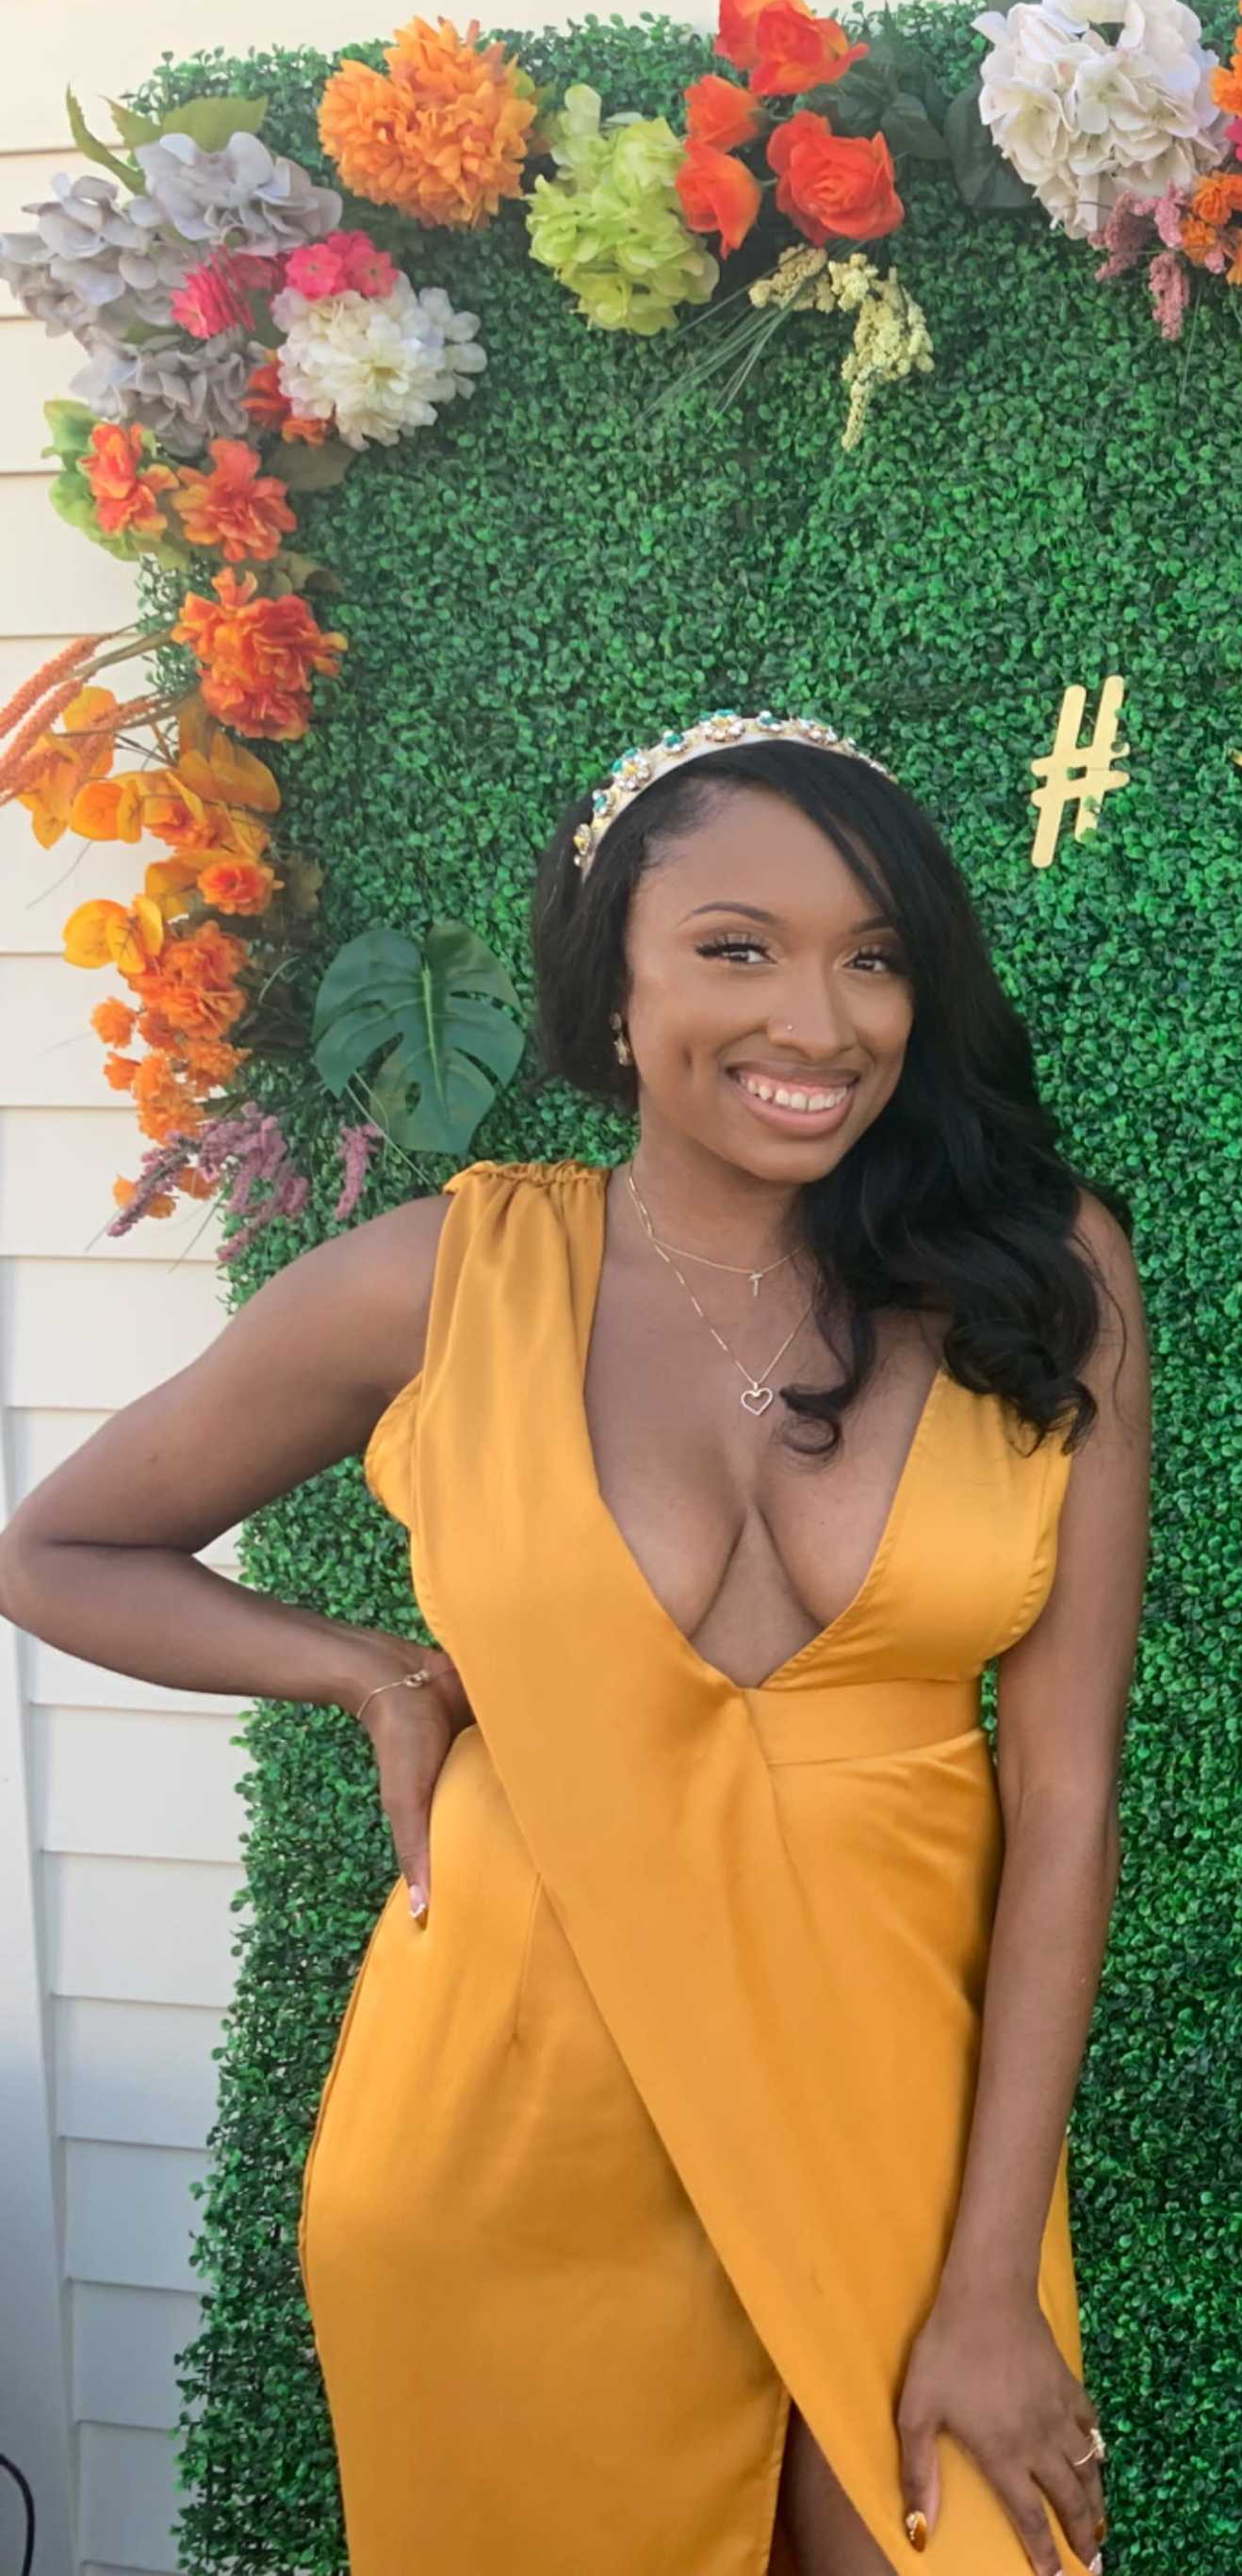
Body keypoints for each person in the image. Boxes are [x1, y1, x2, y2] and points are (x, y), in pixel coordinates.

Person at [0, 713, 1152, 2576]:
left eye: (873, 956)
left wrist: (996, 2273)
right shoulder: (444, 1278)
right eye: (736, 948)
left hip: (899, 2114)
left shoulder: (1045, 1277)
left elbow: (1070, 1797)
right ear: (610, 977)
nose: (821, 1015)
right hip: (509, 2136)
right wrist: (367, 1669)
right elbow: (59, 1547)